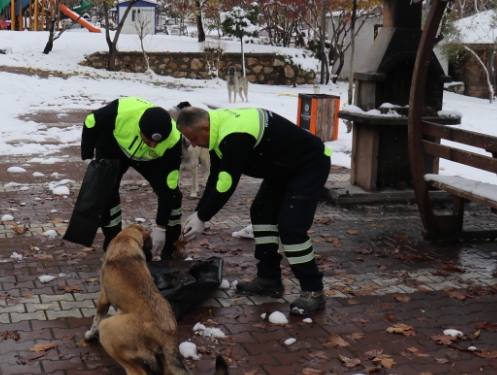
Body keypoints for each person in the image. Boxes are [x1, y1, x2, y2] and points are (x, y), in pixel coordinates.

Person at [177, 106, 332, 316]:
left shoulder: (234, 135)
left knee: (291, 227)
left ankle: (313, 290)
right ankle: (269, 279)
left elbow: (227, 182)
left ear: (205, 128)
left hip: (308, 164)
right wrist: (198, 212)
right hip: (282, 167)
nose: (194, 145)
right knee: (261, 212)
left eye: (194, 138)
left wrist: (204, 216)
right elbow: (216, 176)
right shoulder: (218, 129)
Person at [80, 97, 183, 260]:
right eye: (149, 140)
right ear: (139, 129)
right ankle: (114, 246)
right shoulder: (119, 113)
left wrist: (161, 227)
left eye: (158, 142)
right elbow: (91, 121)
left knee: (174, 195)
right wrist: (86, 156)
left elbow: (168, 187)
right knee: (106, 194)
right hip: (112, 148)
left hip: (150, 160)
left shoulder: (173, 141)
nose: (154, 145)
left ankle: (171, 249)